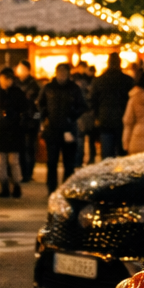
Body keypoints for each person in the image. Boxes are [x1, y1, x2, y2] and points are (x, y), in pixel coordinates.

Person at [38, 62, 87, 192]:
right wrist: (43, 118)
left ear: (68, 74)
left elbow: (83, 106)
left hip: (69, 130)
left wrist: (72, 117)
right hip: (52, 129)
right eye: (60, 72)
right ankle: (51, 188)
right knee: (52, 161)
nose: (62, 75)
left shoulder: (74, 88)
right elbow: (40, 105)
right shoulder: (48, 88)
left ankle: (67, 188)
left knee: (69, 163)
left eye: (64, 72)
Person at [0, 67, 30, 198]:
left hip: (15, 129)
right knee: (0, 161)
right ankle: (4, 187)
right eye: (3, 79)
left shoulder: (18, 92)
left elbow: (27, 110)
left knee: (13, 161)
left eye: (7, 79)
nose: (5, 81)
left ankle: (16, 186)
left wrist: (24, 123)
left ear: (12, 80)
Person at [90, 52, 135, 159]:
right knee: (123, 155)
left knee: (107, 156)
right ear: (120, 63)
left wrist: (97, 117)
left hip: (105, 119)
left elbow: (93, 101)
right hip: (122, 119)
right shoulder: (127, 80)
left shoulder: (99, 80)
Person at [15, 60, 41, 182]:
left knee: (30, 148)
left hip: (31, 122)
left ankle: (28, 173)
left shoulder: (34, 85)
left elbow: (39, 107)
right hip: (18, 121)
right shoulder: (15, 84)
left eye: (21, 68)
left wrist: (36, 120)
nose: (19, 70)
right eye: (18, 68)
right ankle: (22, 172)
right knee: (20, 148)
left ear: (27, 70)